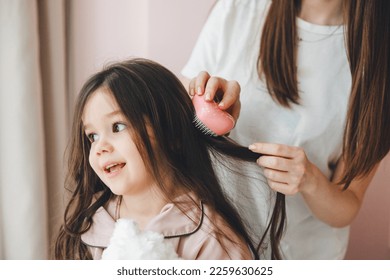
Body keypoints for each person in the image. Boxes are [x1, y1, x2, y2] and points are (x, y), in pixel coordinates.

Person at [181, 0, 390, 259]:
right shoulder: (239, 8)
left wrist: (310, 180)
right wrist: (208, 99)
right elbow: (180, 117)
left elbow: (347, 206)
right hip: (211, 248)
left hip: (298, 255)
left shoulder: (379, 57)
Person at [54, 58, 286, 260]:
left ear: (171, 133)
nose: (100, 147)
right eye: (92, 135)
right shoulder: (88, 224)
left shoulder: (212, 239)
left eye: (118, 126)